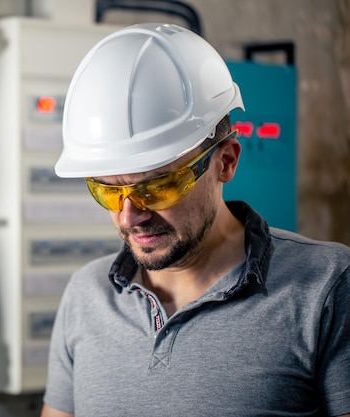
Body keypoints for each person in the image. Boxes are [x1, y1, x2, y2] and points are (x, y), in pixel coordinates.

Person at [40, 23, 350, 417]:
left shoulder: (326, 287)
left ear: (226, 161)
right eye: (108, 190)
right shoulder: (86, 294)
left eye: (158, 186)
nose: (129, 214)